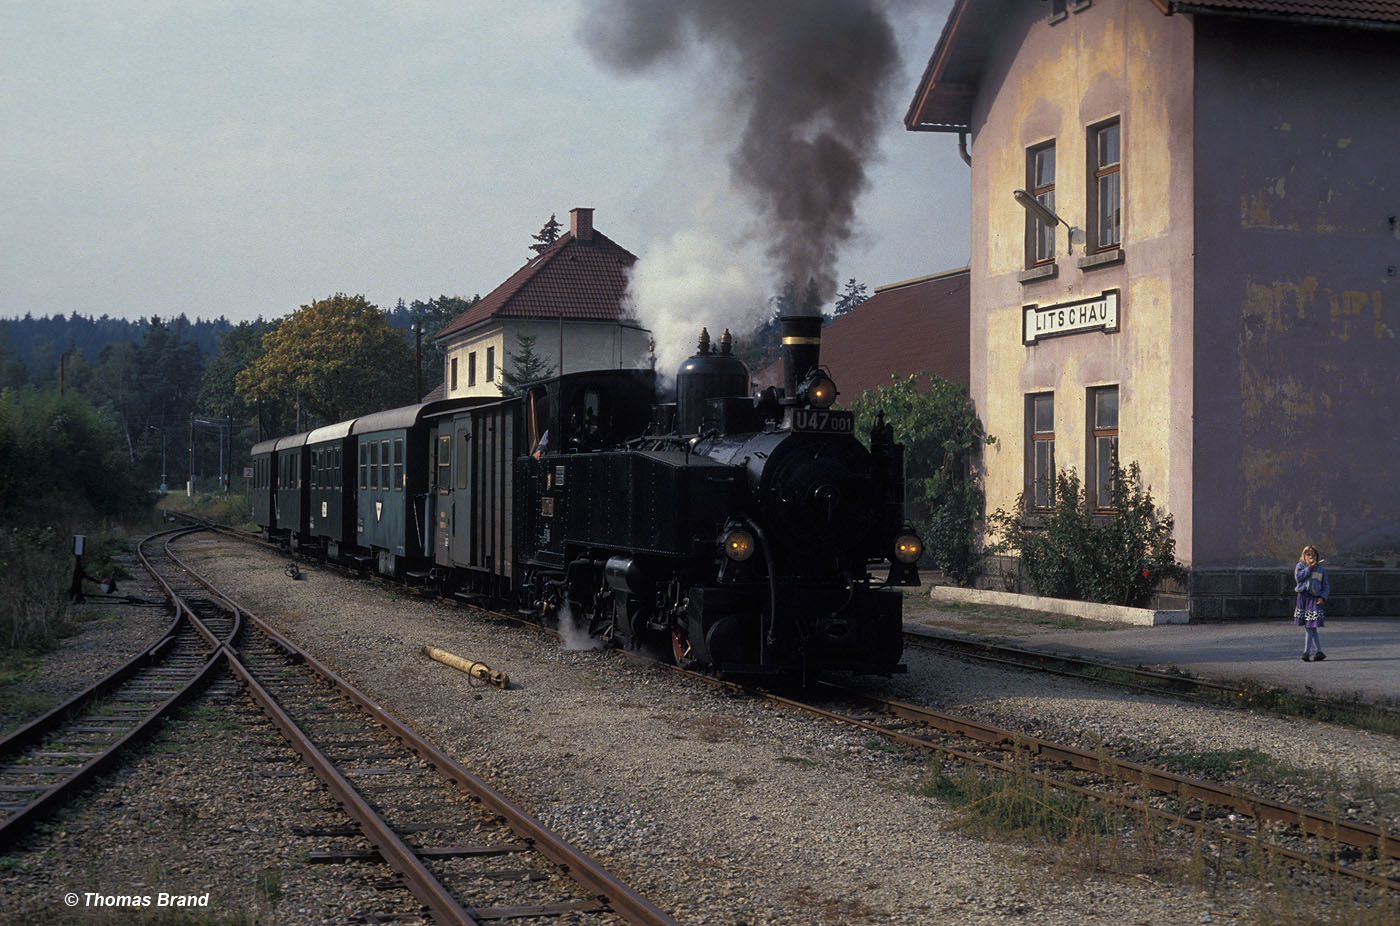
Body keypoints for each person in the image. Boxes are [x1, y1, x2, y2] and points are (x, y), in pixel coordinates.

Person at [1292, 545, 1329, 662]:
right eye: (1308, 555)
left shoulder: (1321, 570)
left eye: (1313, 555)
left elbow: (1326, 585)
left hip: (1314, 599)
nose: (1311, 557)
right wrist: (1309, 568)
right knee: (1311, 627)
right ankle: (1319, 651)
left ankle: (1306, 652)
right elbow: (1298, 578)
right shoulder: (1300, 566)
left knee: (1310, 626)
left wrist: (1323, 597)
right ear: (1304, 556)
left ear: (1317, 557)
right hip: (1303, 598)